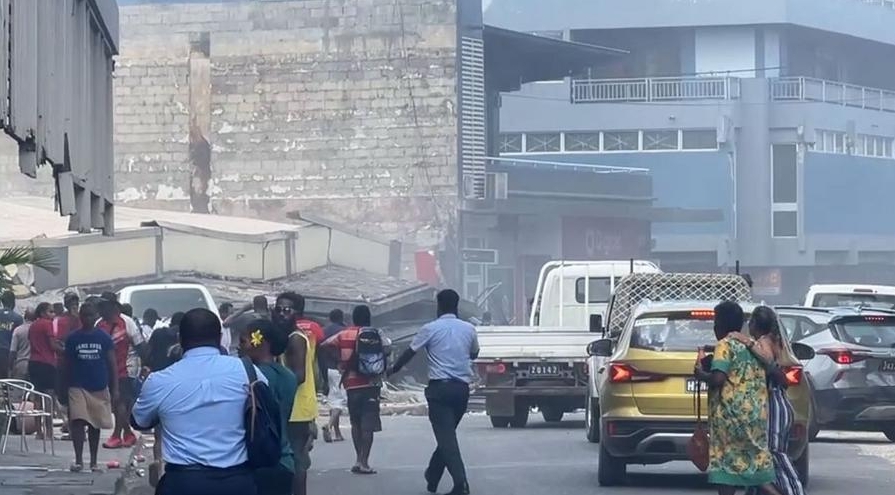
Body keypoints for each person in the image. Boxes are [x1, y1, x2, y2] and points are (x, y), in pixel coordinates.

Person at [131, 308, 263, 495]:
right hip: (237, 481)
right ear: (219, 338)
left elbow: (139, 421)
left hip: (184, 483)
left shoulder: (159, 381)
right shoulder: (248, 372)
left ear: (181, 339)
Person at [389, 289, 479, 495]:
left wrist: (392, 370)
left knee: (446, 437)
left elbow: (409, 353)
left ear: (439, 306)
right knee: (447, 436)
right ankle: (433, 473)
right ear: (456, 306)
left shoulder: (429, 329)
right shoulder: (469, 329)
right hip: (461, 390)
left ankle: (461, 484)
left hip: (440, 390)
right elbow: (474, 354)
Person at [693, 301, 782, 495]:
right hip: (755, 416)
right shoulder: (752, 346)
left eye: (715, 322)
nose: (714, 326)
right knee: (756, 468)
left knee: (725, 469)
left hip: (730, 418)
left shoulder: (724, 345)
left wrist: (701, 375)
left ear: (721, 324)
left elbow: (718, 378)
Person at [733, 307, 806, 495]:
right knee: (762, 458)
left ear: (755, 324)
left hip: (773, 405)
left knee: (773, 453)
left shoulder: (764, 342)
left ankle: (793, 490)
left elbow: (767, 360)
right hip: (777, 404)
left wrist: (748, 342)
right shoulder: (774, 341)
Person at [322, 305, 388, 471]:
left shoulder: (344, 334)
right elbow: (387, 348)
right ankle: (364, 462)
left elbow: (324, 345)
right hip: (371, 384)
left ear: (353, 318)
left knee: (355, 423)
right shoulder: (377, 333)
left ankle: (358, 460)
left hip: (351, 384)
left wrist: (340, 360)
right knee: (368, 424)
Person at [237, 319, 296, 495]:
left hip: (257, 459)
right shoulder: (288, 376)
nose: (239, 347)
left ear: (261, 343)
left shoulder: (251, 376)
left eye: (243, 341)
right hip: (285, 459)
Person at [62, 303, 117, 472]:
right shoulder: (73, 338)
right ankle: (79, 460)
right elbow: (66, 363)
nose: (88, 319)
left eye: (91, 315)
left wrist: (115, 388)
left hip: (98, 386)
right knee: (77, 422)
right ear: (80, 317)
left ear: (96, 317)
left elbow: (112, 364)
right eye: (85, 315)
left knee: (95, 425)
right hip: (77, 386)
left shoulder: (104, 338)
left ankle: (93, 462)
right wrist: (63, 386)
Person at [273, 292, 318, 495]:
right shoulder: (287, 337)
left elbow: (298, 376)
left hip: (297, 409)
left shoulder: (295, 339)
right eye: (278, 309)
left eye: (287, 310)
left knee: (297, 462)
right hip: (294, 408)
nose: (281, 314)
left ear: (298, 314)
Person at [97, 298, 146, 449]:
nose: (101, 311)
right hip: (107, 369)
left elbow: (141, 345)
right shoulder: (99, 324)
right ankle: (128, 433)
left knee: (121, 402)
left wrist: (145, 365)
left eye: (104, 307)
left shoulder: (127, 323)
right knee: (114, 403)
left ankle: (117, 436)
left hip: (126, 368)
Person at [28, 302, 59, 438]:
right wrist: (64, 350)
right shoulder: (47, 324)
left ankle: (39, 431)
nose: (53, 314)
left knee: (37, 398)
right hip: (46, 363)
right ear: (42, 313)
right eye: (50, 311)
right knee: (48, 397)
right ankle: (49, 431)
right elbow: (52, 345)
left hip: (33, 362)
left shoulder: (33, 325)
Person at [319, 308, 347, 406]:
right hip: (341, 364)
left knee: (329, 383)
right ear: (342, 318)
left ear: (330, 318)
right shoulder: (345, 330)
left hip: (326, 363)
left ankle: (327, 396)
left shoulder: (323, 330)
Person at [0, 290, 24, 379]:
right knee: (8, 380)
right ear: (13, 302)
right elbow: (20, 337)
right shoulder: (17, 318)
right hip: (9, 352)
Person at [9, 309, 34, 380]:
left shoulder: (18, 330)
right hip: (34, 364)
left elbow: (13, 351)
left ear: (25, 317)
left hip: (20, 364)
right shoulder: (38, 329)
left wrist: (10, 368)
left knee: (19, 388)